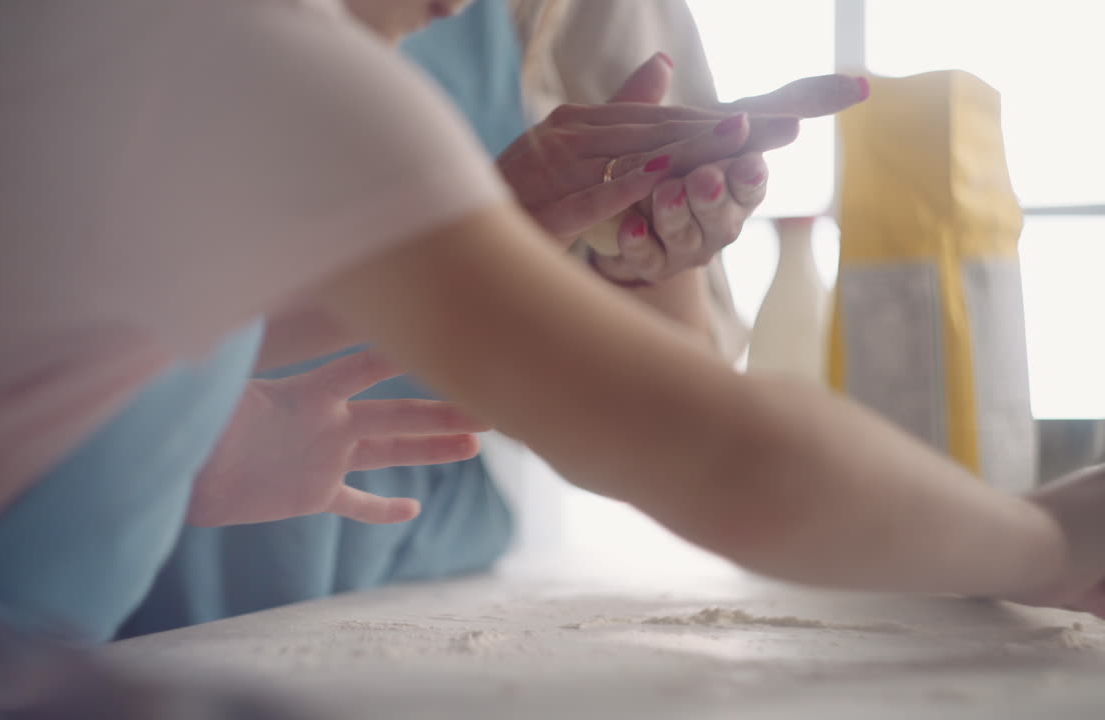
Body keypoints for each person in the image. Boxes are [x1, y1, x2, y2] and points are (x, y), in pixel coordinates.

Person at [0, 0, 1103, 667]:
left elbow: (24, 338)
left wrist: (173, 445)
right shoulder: (244, 54)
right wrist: (1042, 542)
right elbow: (722, 460)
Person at [120, 0, 863, 637]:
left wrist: (633, 260)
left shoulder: (564, 22)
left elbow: (673, 435)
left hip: (412, 588)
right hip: (125, 585)